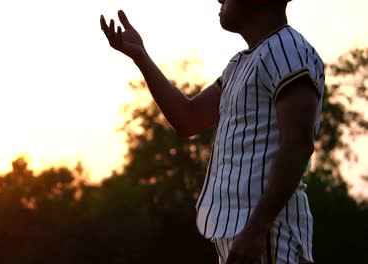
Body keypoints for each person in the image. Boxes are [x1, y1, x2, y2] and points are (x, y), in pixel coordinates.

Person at [100, 0, 324, 263]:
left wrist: (256, 228)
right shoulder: (240, 64)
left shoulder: (288, 49)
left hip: (268, 233)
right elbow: (188, 119)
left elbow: (298, 144)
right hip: (240, 234)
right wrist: (141, 56)